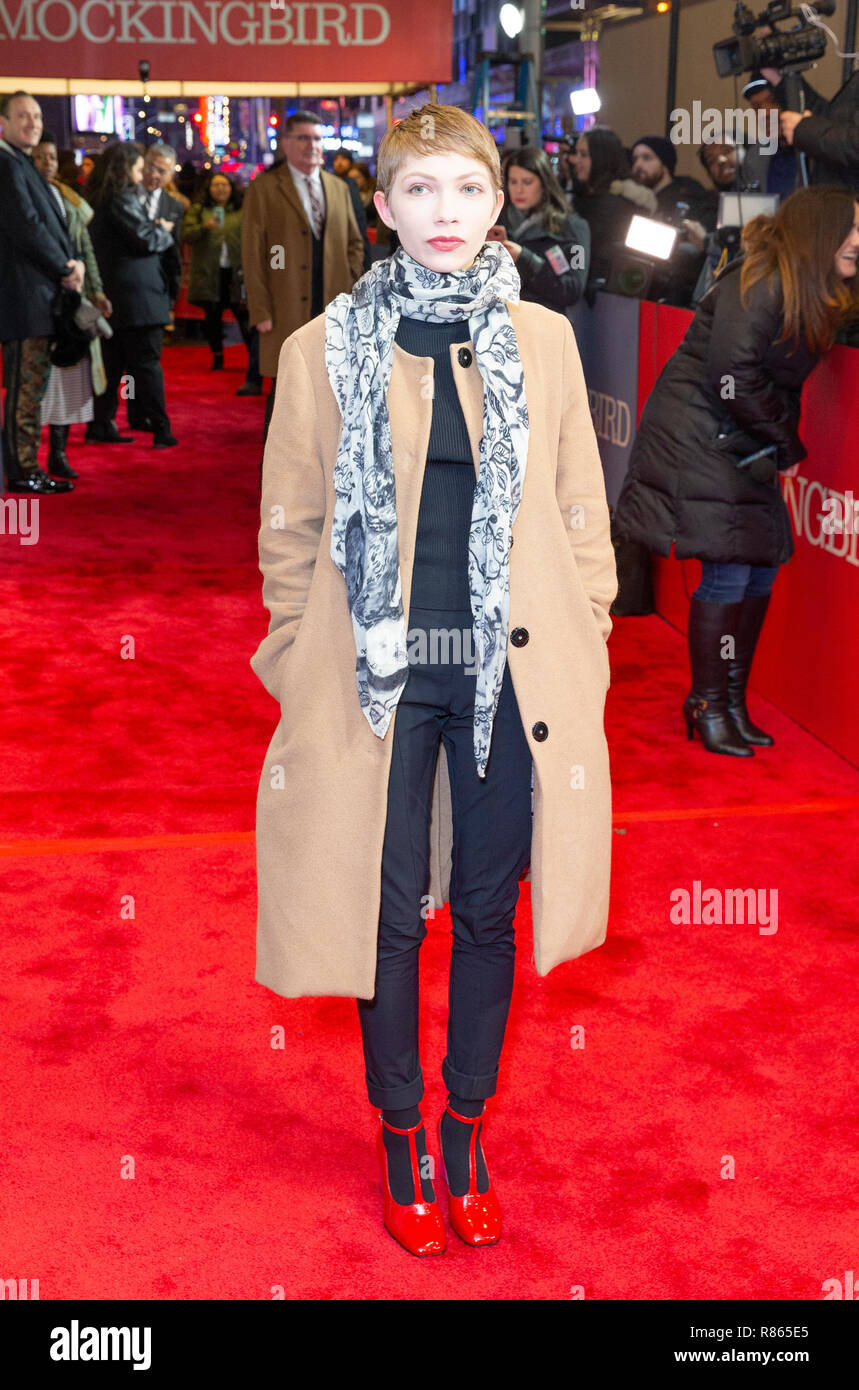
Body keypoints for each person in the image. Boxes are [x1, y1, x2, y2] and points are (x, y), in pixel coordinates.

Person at [249, 102, 617, 1256]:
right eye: (418, 192)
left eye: (465, 190)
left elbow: (578, 510)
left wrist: (590, 631)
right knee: (386, 909)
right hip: (378, 680)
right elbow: (292, 529)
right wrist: (294, 658)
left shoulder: (544, 339)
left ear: (498, 198)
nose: (443, 214)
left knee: (487, 910)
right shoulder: (322, 349)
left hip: (512, 678)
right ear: (384, 207)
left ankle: (466, 1123)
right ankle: (399, 1124)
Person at [612, 186, 859, 755]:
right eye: (847, 229)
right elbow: (733, 376)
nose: (855, 241)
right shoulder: (762, 281)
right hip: (703, 435)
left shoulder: (812, 285)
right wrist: (788, 446)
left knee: (760, 571)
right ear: (819, 233)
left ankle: (731, 701)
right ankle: (708, 704)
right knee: (728, 573)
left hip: (743, 439)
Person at [241, 108, 364, 446]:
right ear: (286, 144)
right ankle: (277, 474)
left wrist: (352, 288)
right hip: (283, 308)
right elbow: (253, 255)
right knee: (286, 394)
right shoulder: (265, 188)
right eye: (304, 138)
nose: (313, 145)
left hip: (333, 308)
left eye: (317, 138)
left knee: (332, 395)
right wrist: (260, 310)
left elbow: (355, 243)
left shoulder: (338, 187)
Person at [0, 89, 83, 495]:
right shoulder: (6, 163)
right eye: (22, 116)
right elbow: (28, 228)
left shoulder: (20, 162)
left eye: (36, 115)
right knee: (26, 386)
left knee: (30, 386)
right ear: (4, 123)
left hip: (35, 292)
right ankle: (22, 470)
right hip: (23, 294)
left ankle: (23, 466)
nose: (32, 122)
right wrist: (66, 267)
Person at [86, 142, 178, 448]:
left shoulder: (104, 197)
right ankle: (161, 428)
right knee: (146, 364)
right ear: (126, 169)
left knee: (114, 365)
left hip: (119, 297)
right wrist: (163, 229)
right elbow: (147, 238)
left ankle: (101, 424)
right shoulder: (121, 198)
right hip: (137, 298)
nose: (143, 176)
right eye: (140, 169)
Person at [32, 132, 112, 481]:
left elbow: (86, 250)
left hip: (71, 299)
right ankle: (26, 456)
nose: (46, 163)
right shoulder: (20, 199)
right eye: (39, 157)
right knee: (37, 380)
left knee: (67, 373)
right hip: (36, 300)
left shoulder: (68, 199)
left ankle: (58, 452)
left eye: (51, 157)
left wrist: (95, 290)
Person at [486, 145, 590, 315]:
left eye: (527, 182)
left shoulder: (573, 227)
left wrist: (525, 258)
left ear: (544, 183)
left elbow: (573, 289)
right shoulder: (497, 223)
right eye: (513, 181)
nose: (519, 190)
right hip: (500, 323)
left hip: (546, 326)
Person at [181, 171, 254, 377]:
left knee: (243, 316)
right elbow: (186, 234)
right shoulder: (199, 210)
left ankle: (254, 359)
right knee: (212, 317)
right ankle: (218, 356)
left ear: (232, 188)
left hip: (236, 273)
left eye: (224, 185)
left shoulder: (242, 210)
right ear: (209, 188)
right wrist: (205, 227)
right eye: (216, 185)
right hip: (209, 272)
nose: (220, 189)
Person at [568, 126, 657, 290]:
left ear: (601, 158)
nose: (575, 160)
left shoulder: (619, 204)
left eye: (584, 155)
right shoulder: (581, 197)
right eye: (576, 153)